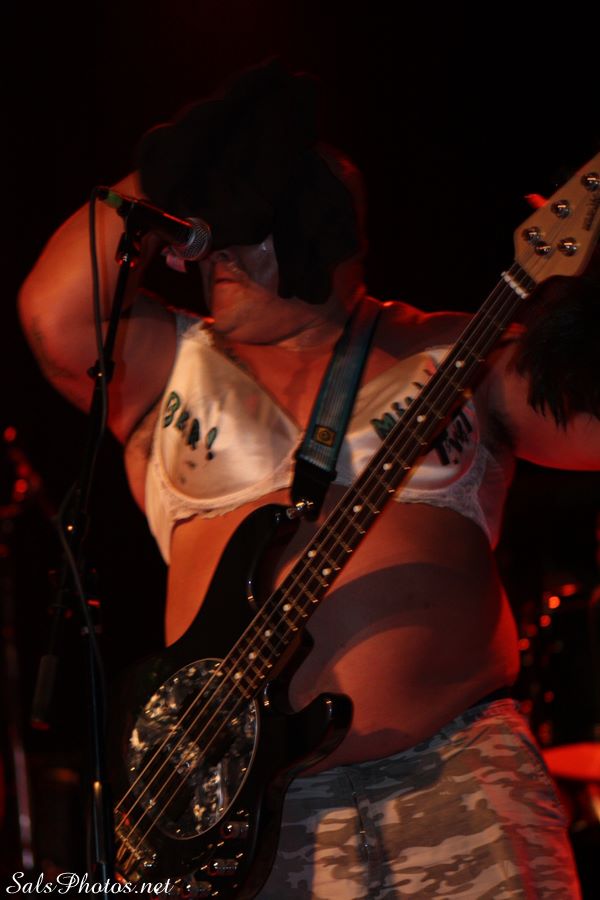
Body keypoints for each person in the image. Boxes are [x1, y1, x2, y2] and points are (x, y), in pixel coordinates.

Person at [18, 61, 599, 898]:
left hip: (457, 781)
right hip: (238, 817)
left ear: (326, 235)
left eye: (249, 226)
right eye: (212, 227)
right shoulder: (166, 366)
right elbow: (53, 312)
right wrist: (182, 163)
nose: (215, 253)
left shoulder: (461, 354)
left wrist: (581, 308)